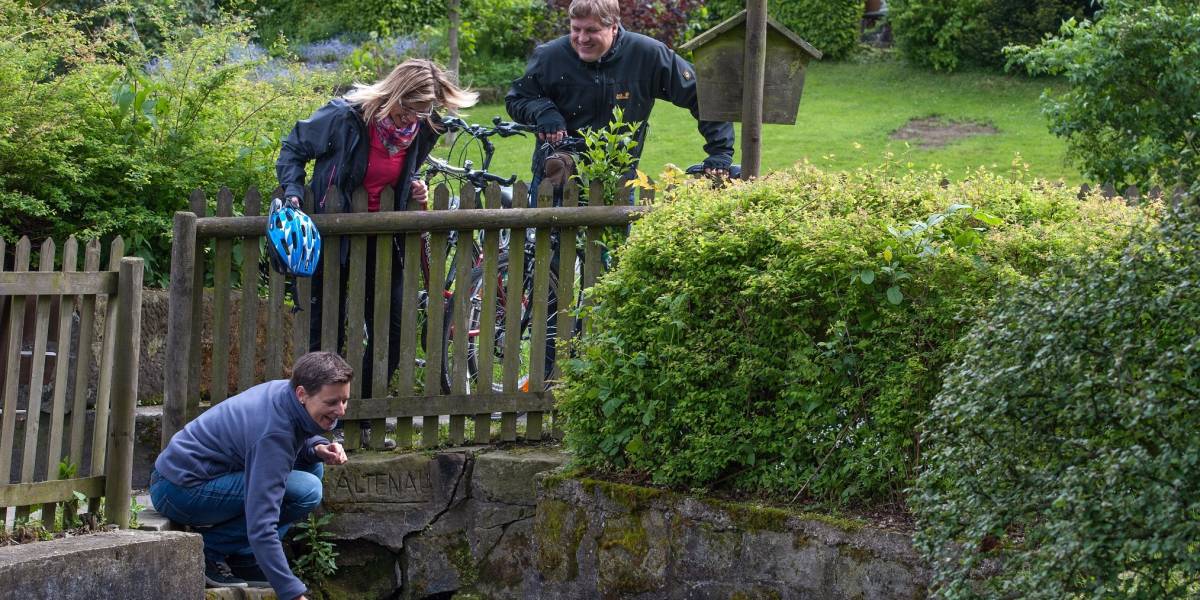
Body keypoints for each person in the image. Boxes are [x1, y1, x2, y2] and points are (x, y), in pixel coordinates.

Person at [276, 59, 478, 401]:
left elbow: (402, 172)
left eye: (422, 110)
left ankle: (360, 407)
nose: (411, 119)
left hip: (385, 241)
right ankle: (316, 414)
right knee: (325, 333)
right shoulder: (345, 117)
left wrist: (413, 185)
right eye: (407, 108)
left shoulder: (424, 128)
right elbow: (293, 148)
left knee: (395, 331)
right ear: (392, 93)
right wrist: (293, 191)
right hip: (332, 239)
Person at [151, 351, 353, 597]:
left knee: (313, 465)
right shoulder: (274, 434)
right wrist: (291, 592)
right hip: (179, 490)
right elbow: (262, 524)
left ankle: (243, 558)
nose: (341, 410)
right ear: (302, 394)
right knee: (307, 491)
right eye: (332, 402)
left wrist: (316, 447)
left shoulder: (286, 393)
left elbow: (300, 434)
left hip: (193, 476)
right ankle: (210, 547)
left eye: (344, 400)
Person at [505, 0, 735, 199]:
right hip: (555, 177)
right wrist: (543, 111)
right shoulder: (550, 57)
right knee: (548, 250)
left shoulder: (648, 55)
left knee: (614, 250)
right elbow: (518, 98)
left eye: (591, 30)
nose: (581, 39)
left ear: (613, 27)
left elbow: (703, 95)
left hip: (618, 180)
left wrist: (720, 152)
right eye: (576, 29)